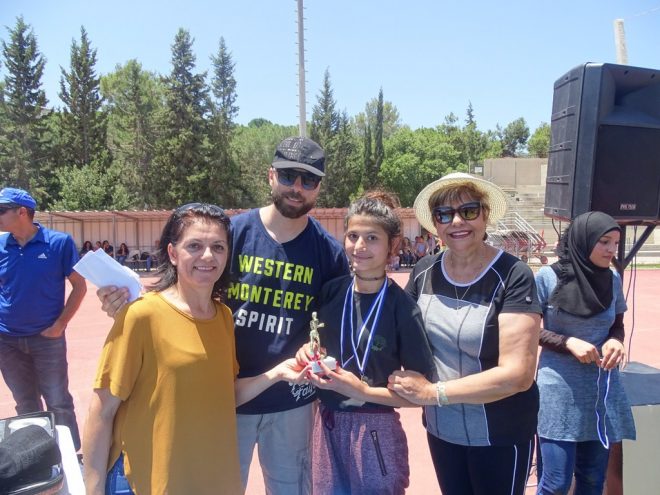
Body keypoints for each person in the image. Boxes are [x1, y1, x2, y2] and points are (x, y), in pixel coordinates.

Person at [96, 137, 349, 494]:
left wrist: (320, 354)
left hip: (291, 401)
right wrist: (128, 302)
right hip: (224, 397)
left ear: (319, 187)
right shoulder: (232, 234)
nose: (297, 187)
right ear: (271, 176)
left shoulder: (329, 252)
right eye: (288, 176)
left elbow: (333, 327)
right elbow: (183, 288)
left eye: (308, 180)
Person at [83, 203, 305, 495]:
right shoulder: (142, 315)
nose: (208, 256)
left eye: (218, 247)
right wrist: (93, 488)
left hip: (207, 480)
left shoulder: (224, 317)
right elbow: (101, 411)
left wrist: (277, 373)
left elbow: (223, 396)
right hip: (148, 482)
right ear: (173, 253)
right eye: (195, 246)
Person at [387, 172, 542, 495]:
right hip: (443, 430)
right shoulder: (424, 270)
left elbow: (518, 376)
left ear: (485, 214)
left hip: (500, 434)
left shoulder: (514, 275)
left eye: (468, 211)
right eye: (444, 214)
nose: (457, 221)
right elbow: (396, 333)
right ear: (435, 224)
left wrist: (434, 393)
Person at [296, 191, 436, 494]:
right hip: (327, 424)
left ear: (392, 245)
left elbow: (419, 395)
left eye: (372, 238)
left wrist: (362, 391)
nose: (359, 246)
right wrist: (308, 352)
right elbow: (315, 344)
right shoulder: (331, 292)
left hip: (376, 430)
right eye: (353, 236)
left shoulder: (403, 308)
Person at [534, 211, 635, 495]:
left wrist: (616, 341)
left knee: (592, 479)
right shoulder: (547, 277)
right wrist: (567, 342)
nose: (611, 249)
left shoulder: (613, 279)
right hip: (558, 389)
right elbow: (528, 330)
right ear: (583, 240)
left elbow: (617, 325)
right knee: (556, 483)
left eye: (615, 243)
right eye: (604, 242)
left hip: (600, 390)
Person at [0, 187, 87, 451]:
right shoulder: (1, 246)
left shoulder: (59, 243)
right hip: (7, 341)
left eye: (1, 210)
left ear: (21, 212)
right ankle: (37, 456)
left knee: (58, 400)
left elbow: (79, 286)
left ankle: (70, 456)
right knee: (25, 402)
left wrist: (60, 325)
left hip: (47, 339)